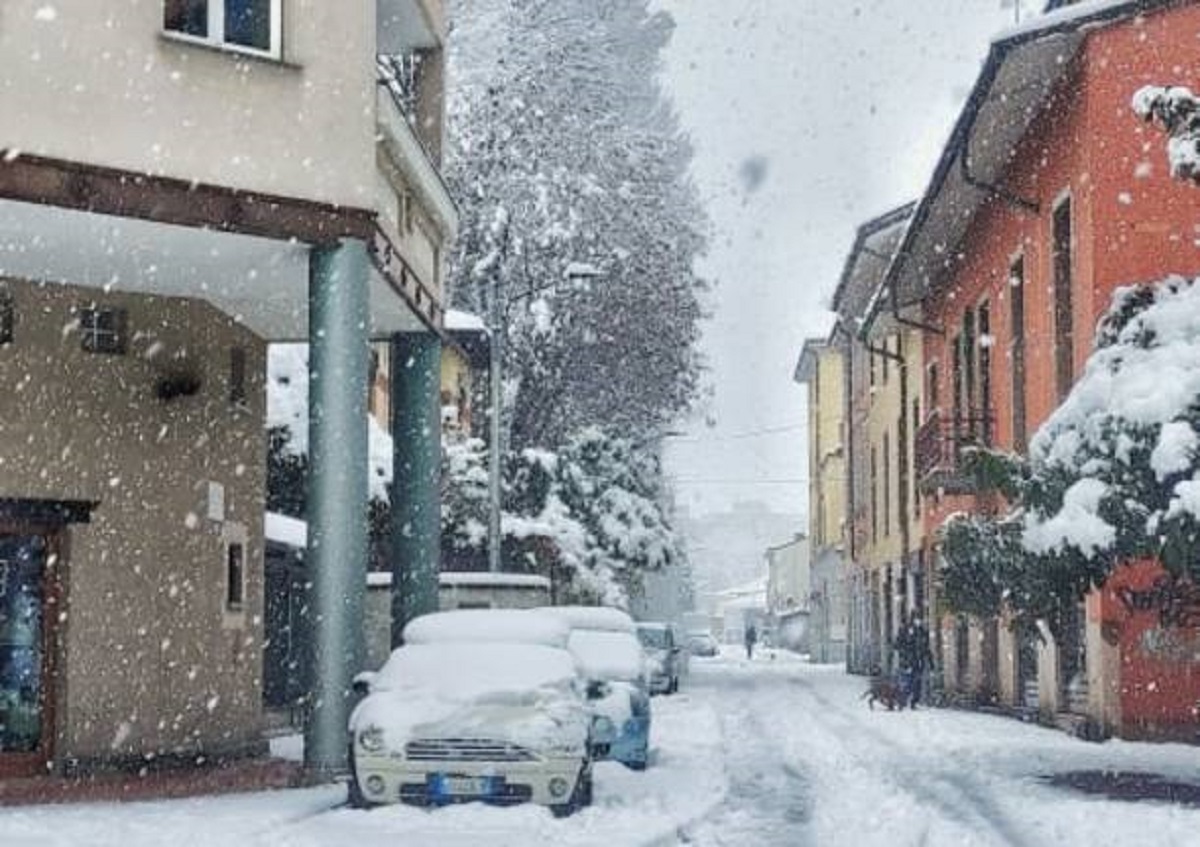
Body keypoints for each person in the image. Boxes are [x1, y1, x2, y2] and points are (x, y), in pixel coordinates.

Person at [898, 618, 934, 708]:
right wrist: (905, 661)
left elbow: (927, 649)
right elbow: (901, 646)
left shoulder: (923, 633)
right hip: (909, 663)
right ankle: (903, 700)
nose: (919, 622)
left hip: (919, 663)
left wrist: (931, 663)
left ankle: (914, 702)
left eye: (920, 620)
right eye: (917, 619)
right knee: (908, 683)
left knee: (917, 683)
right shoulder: (907, 631)